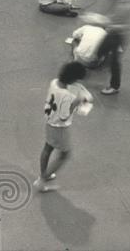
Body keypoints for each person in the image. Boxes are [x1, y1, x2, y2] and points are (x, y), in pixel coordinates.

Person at [34, 61, 94, 192]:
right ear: (72, 79)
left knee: (47, 148)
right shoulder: (67, 96)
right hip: (59, 128)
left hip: (49, 122)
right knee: (64, 155)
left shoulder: (54, 82)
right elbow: (63, 116)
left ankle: (43, 174)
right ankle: (42, 181)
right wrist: (76, 102)